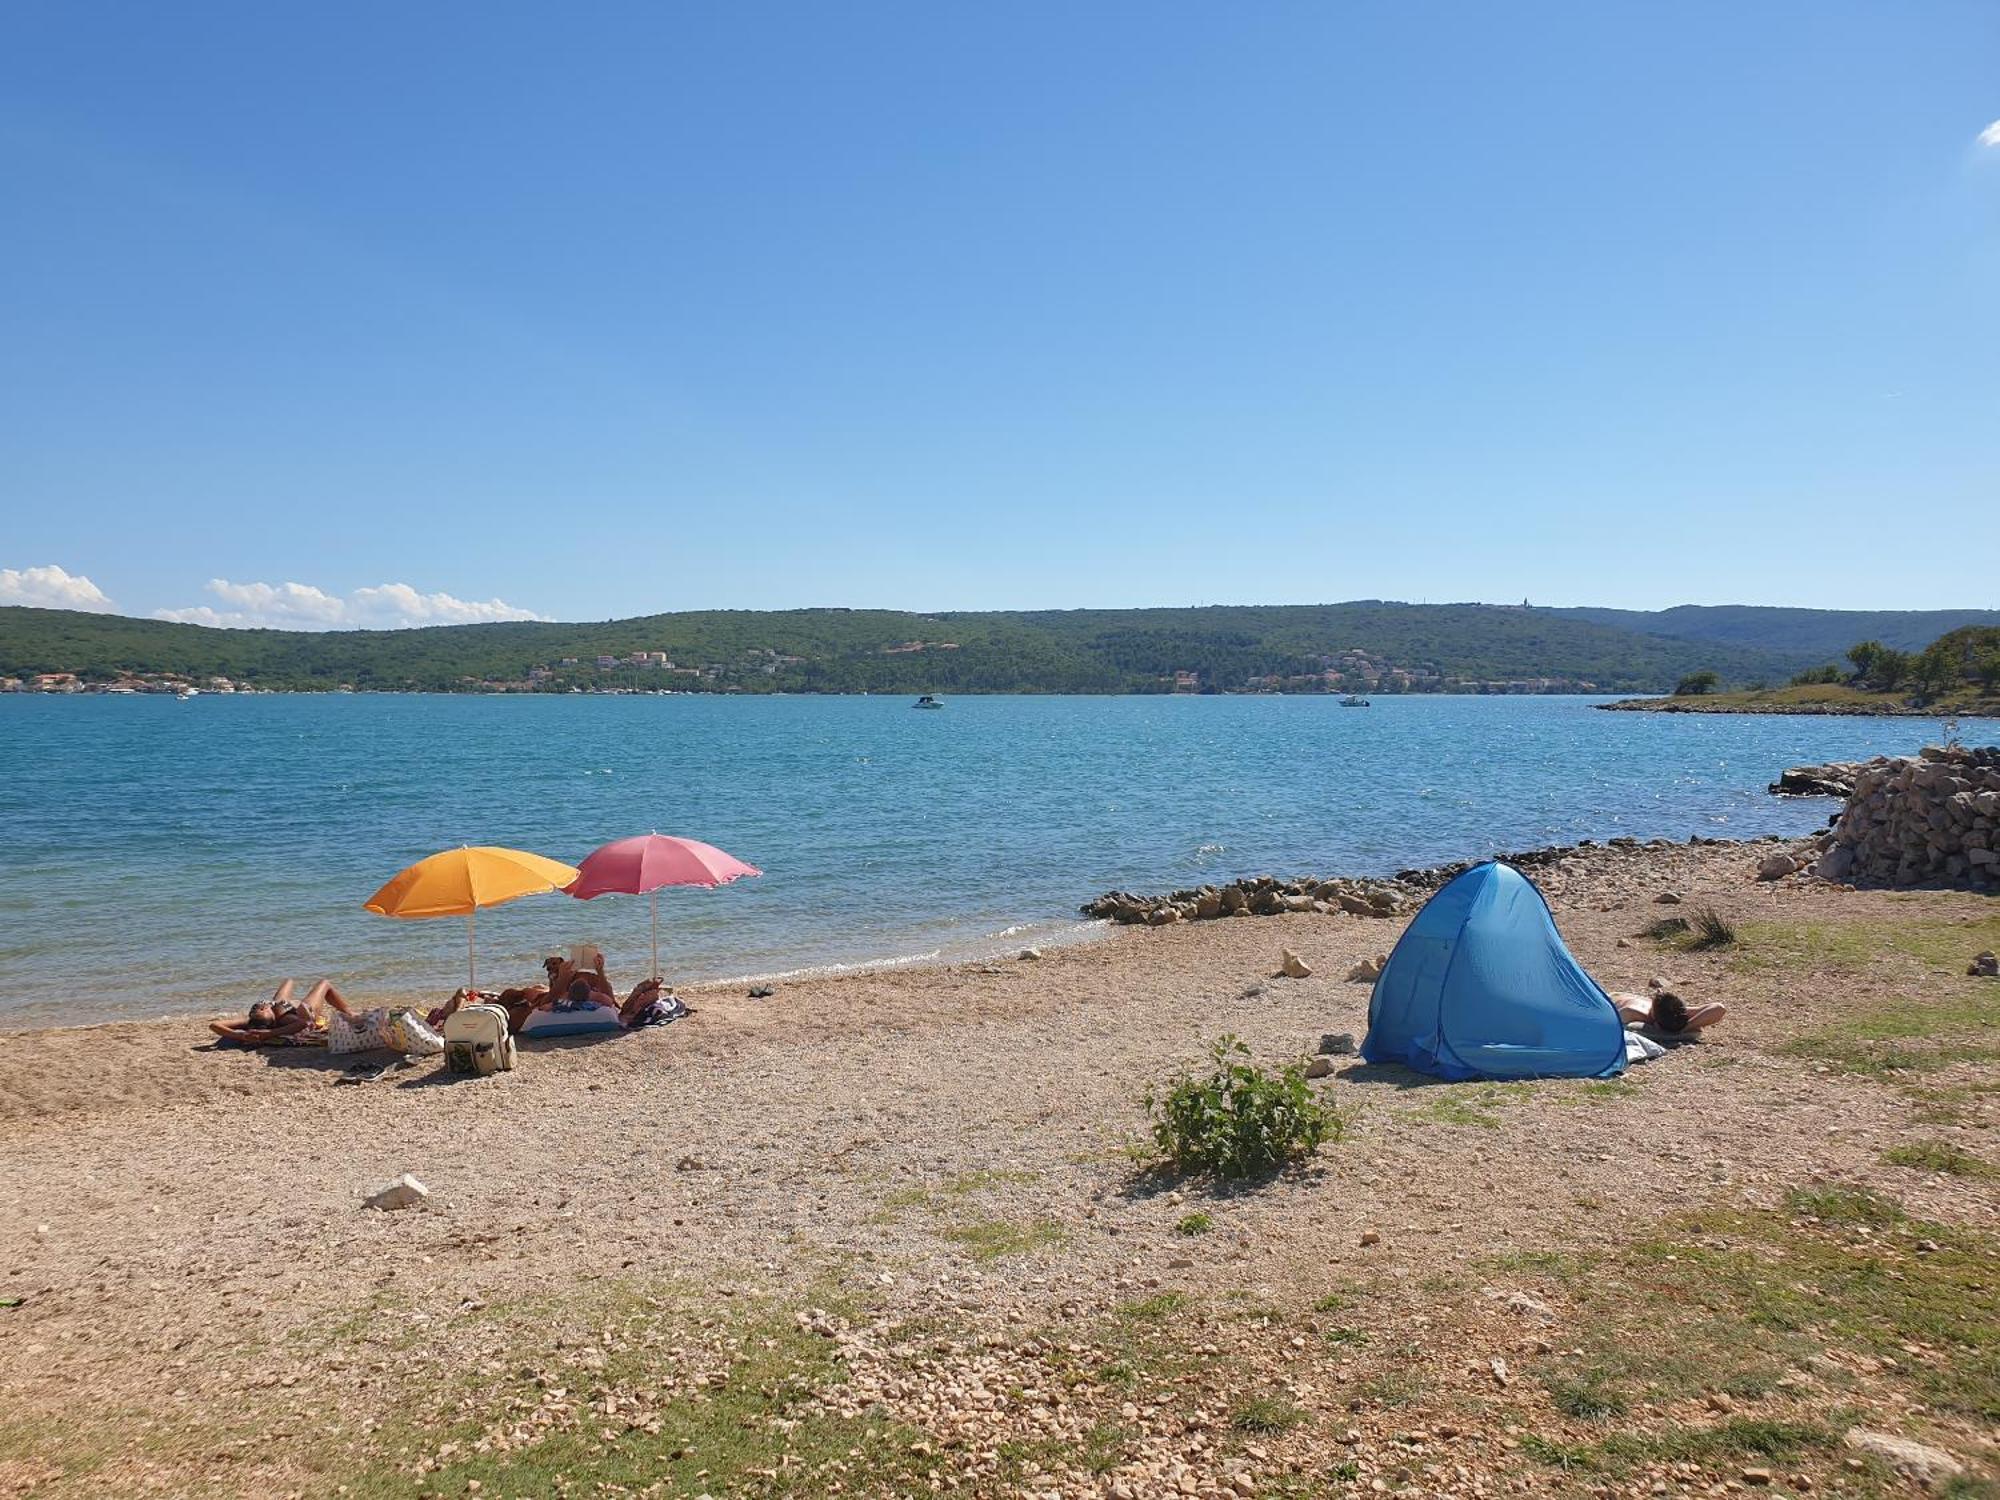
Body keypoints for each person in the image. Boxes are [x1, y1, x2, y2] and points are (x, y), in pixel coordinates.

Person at [210, 979, 354, 1046]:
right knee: (324, 983)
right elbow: (303, 1023)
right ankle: (351, 1013)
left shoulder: (250, 1021)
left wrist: (237, 1034)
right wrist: (270, 1034)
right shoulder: (283, 1020)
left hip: (281, 1006)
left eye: (256, 1008)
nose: (258, 1007)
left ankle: (284, 1000)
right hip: (301, 1011)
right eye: (260, 1010)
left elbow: (214, 1025)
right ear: (269, 1020)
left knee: (289, 981)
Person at [1615, 989, 1725, 1036]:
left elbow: (1719, 1008)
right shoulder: (1633, 1011)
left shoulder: (1633, 1012)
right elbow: (1719, 1008)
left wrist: (1685, 1028)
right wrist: (1689, 1027)